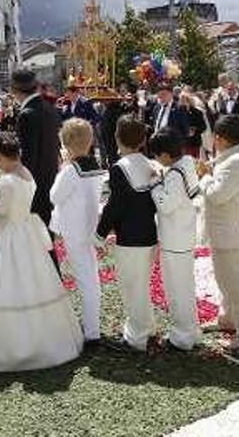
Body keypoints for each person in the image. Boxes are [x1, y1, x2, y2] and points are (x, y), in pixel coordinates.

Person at [0, 134, 83, 371]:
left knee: (8, 286)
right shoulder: (26, 173)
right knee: (36, 283)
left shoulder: (7, 180)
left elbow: (1, 215)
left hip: (11, 236)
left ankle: (14, 348)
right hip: (27, 233)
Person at [96, 116, 159, 352]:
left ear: (117, 138)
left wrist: (100, 234)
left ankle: (136, 337)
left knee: (132, 287)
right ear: (143, 140)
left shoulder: (120, 168)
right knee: (141, 284)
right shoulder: (150, 163)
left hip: (130, 238)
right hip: (149, 235)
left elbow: (115, 206)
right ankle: (147, 328)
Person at [197, 115, 239, 350]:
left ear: (220, 138)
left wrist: (204, 176)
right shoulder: (234, 155)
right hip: (223, 230)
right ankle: (228, 319)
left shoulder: (237, 160)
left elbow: (217, 195)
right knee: (225, 280)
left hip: (230, 231)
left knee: (237, 283)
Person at [50, 119, 105, 346]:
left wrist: (63, 168)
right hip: (90, 226)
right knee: (90, 277)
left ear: (66, 144)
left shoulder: (71, 171)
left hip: (74, 230)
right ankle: (92, 326)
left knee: (86, 280)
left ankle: (91, 332)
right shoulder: (97, 166)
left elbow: (54, 196)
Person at [148, 128, 201, 351]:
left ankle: (182, 336)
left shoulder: (174, 174)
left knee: (177, 290)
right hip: (184, 234)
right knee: (185, 287)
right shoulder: (187, 164)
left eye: (157, 155)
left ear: (166, 155)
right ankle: (191, 331)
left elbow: (165, 205)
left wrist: (155, 186)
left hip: (174, 238)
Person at [11, 70, 61, 269]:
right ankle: (52, 281)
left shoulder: (27, 114)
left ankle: (49, 284)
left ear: (15, 90)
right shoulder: (49, 108)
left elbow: (28, 159)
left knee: (37, 242)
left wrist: (18, 187)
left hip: (34, 187)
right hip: (49, 179)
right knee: (45, 240)